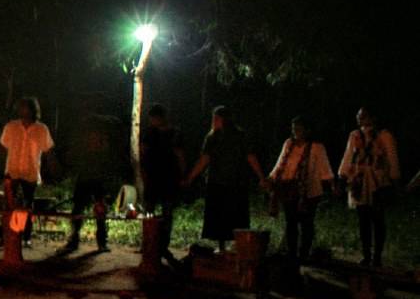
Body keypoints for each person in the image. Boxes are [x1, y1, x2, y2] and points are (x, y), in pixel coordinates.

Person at [184, 106, 264, 252]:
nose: (213, 121)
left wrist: (261, 177)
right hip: (218, 182)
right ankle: (222, 248)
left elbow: (250, 156)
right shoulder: (212, 137)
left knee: (236, 216)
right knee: (220, 217)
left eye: (216, 118)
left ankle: (238, 247)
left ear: (225, 120)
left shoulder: (239, 136)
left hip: (236, 182)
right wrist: (190, 177)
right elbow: (204, 159)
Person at [337, 107, 401, 268]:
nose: (360, 119)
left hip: (378, 182)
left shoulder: (384, 135)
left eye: (364, 116)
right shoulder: (355, 135)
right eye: (358, 116)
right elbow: (348, 156)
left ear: (373, 118)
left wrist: (394, 178)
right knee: (363, 219)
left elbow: (392, 157)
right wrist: (343, 175)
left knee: (378, 219)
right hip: (359, 181)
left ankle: (377, 256)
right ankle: (366, 255)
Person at [266, 116, 334, 261]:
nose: (295, 132)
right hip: (289, 189)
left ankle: (304, 253)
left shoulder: (317, 147)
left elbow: (325, 168)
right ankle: (292, 253)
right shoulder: (289, 144)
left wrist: (332, 184)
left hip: (309, 192)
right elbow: (280, 163)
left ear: (307, 130)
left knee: (306, 222)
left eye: (299, 129)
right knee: (291, 222)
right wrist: (271, 178)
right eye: (293, 129)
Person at [0, 97, 55, 246]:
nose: (23, 111)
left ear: (33, 110)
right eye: (21, 107)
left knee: (27, 206)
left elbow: (49, 151)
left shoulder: (41, 129)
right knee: (9, 206)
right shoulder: (11, 127)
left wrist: (54, 169)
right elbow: (1, 148)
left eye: (26, 107)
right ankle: (7, 236)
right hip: (12, 172)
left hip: (30, 174)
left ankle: (26, 237)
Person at [65, 111, 125, 253]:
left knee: (100, 210)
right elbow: (77, 159)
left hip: (98, 180)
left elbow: (108, 163)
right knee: (78, 209)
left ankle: (101, 242)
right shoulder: (84, 144)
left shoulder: (104, 142)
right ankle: (74, 239)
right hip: (85, 179)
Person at [140, 104, 186, 263]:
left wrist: (182, 175)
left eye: (153, 118)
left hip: (167, 178)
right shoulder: (150, 133)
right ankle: (150, 244)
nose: (152, 121)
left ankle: (161, 245)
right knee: (151, 213)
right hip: (157, 178)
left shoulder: (172, 133)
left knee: (165, 214)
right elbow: (143, 153)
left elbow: (179, 155)